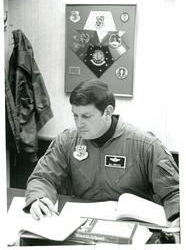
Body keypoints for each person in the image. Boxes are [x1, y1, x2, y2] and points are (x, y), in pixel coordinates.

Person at [24, 79, 180, 228]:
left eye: (86, 116)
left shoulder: (145, 145)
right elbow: (42, 177)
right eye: (75, 115)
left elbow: (175, 191)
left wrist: (178, 217)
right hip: (80, 225)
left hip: (134, 227)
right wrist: (38, 198)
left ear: (108, 112)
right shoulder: (67, 140)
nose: (79, 124)